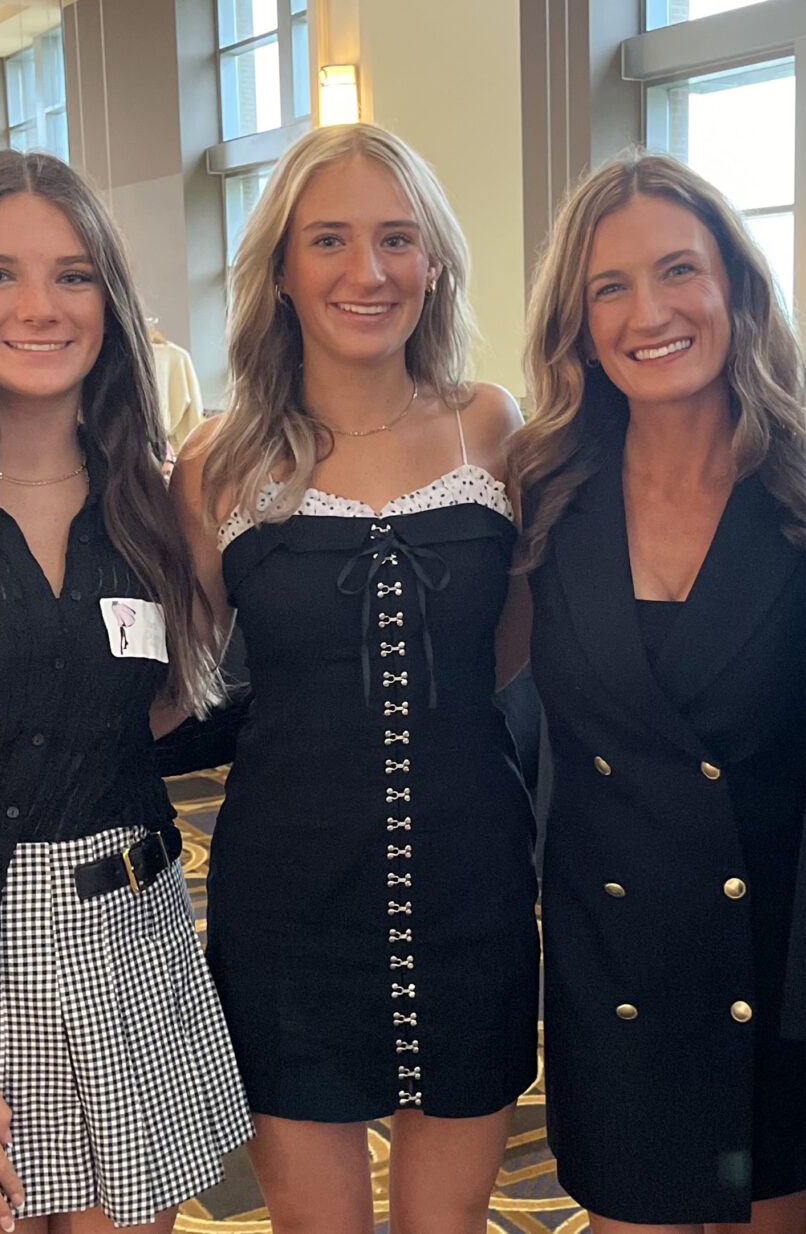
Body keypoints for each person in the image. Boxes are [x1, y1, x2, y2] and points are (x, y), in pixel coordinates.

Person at [171, 122, 540, 1234]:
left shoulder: (493, 428)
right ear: (281, 270)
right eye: (328, 239)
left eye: (396, 239)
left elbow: (507, 650)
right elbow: (181, 679)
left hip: (472, 878)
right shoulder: (217, 462)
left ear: (434, 264)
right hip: (283, 896)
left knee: (448, 1221)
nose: (366, 271)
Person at [0, 150, 252, 1234]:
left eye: (73, 275)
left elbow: (160, 719)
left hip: (131, 952)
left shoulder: (156, 511)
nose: (39, 306)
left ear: (110, 302)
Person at [510, 150, 806, 1232]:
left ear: (734, 284)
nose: (649, 313)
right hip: (617, 963)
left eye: (678, 270)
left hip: (781, 963)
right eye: (610, 287)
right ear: (579, 324)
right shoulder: (541, 489)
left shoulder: (798, 482)